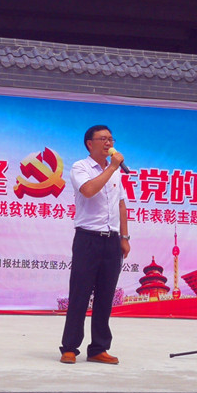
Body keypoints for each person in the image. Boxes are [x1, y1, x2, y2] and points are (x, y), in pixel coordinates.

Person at [59, 125, 130, 365]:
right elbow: (88, 190)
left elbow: (121, 205)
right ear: (90, 143)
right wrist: (112, 167)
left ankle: (99, 348)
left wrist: (125, 237)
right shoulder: (80, 167)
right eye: (103, 139)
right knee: (80, 294)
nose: (109, 143)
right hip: (87, 239)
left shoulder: (116, 172)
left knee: (105, 296)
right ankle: (70, 347)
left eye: (111, 139)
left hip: (112, 240)